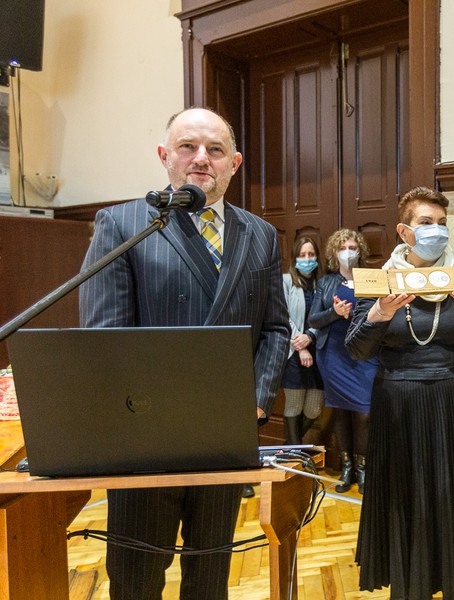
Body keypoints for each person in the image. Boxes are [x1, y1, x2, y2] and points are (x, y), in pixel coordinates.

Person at [79, 107, 290, 599]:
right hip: (145, 438)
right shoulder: (124, 224)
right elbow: (106, 335)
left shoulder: (259, 233)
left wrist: (256, 402)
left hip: (225, 433)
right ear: (164, 156)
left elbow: (276, 328)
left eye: (215, 150)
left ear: (234, 163)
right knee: (136, 578)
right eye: (188, 147)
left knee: (210, 575)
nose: (201, 158)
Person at [346, 186, 454, 599]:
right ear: (405, 232)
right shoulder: (380, 280)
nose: (436, 231)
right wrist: (380, 312)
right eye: (426, 223)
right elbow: (357, 349)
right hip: (397, 403)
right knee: (406, 499)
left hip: (453, 401)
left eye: (442, 223)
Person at [308, 229, 378, 493]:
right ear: (334, 253)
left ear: (360, 251)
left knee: (364, 412)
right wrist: (334, 312)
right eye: (342, 248)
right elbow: (314, 320)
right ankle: (347, 467)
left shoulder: (371, 279)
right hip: (333, 354)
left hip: (365, 355)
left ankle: (363, 467)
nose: (348, 253)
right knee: (339, 410)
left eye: (352, 247)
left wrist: (356, 316)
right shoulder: (325, 282)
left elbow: (381, 315)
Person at [281, 235, 325, 444]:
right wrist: (301, 346)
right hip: (294, 352)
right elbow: (282, 315)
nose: (307, 259)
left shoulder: (322, 283)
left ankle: (288, 447)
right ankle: (295, 454)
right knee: (294, 406)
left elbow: (326, 317)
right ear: (294, 258)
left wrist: (310, 337)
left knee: (314, 409)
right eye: (302, 255)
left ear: (317, 257)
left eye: (311, 254)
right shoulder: (286, 281)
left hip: (319, 351)